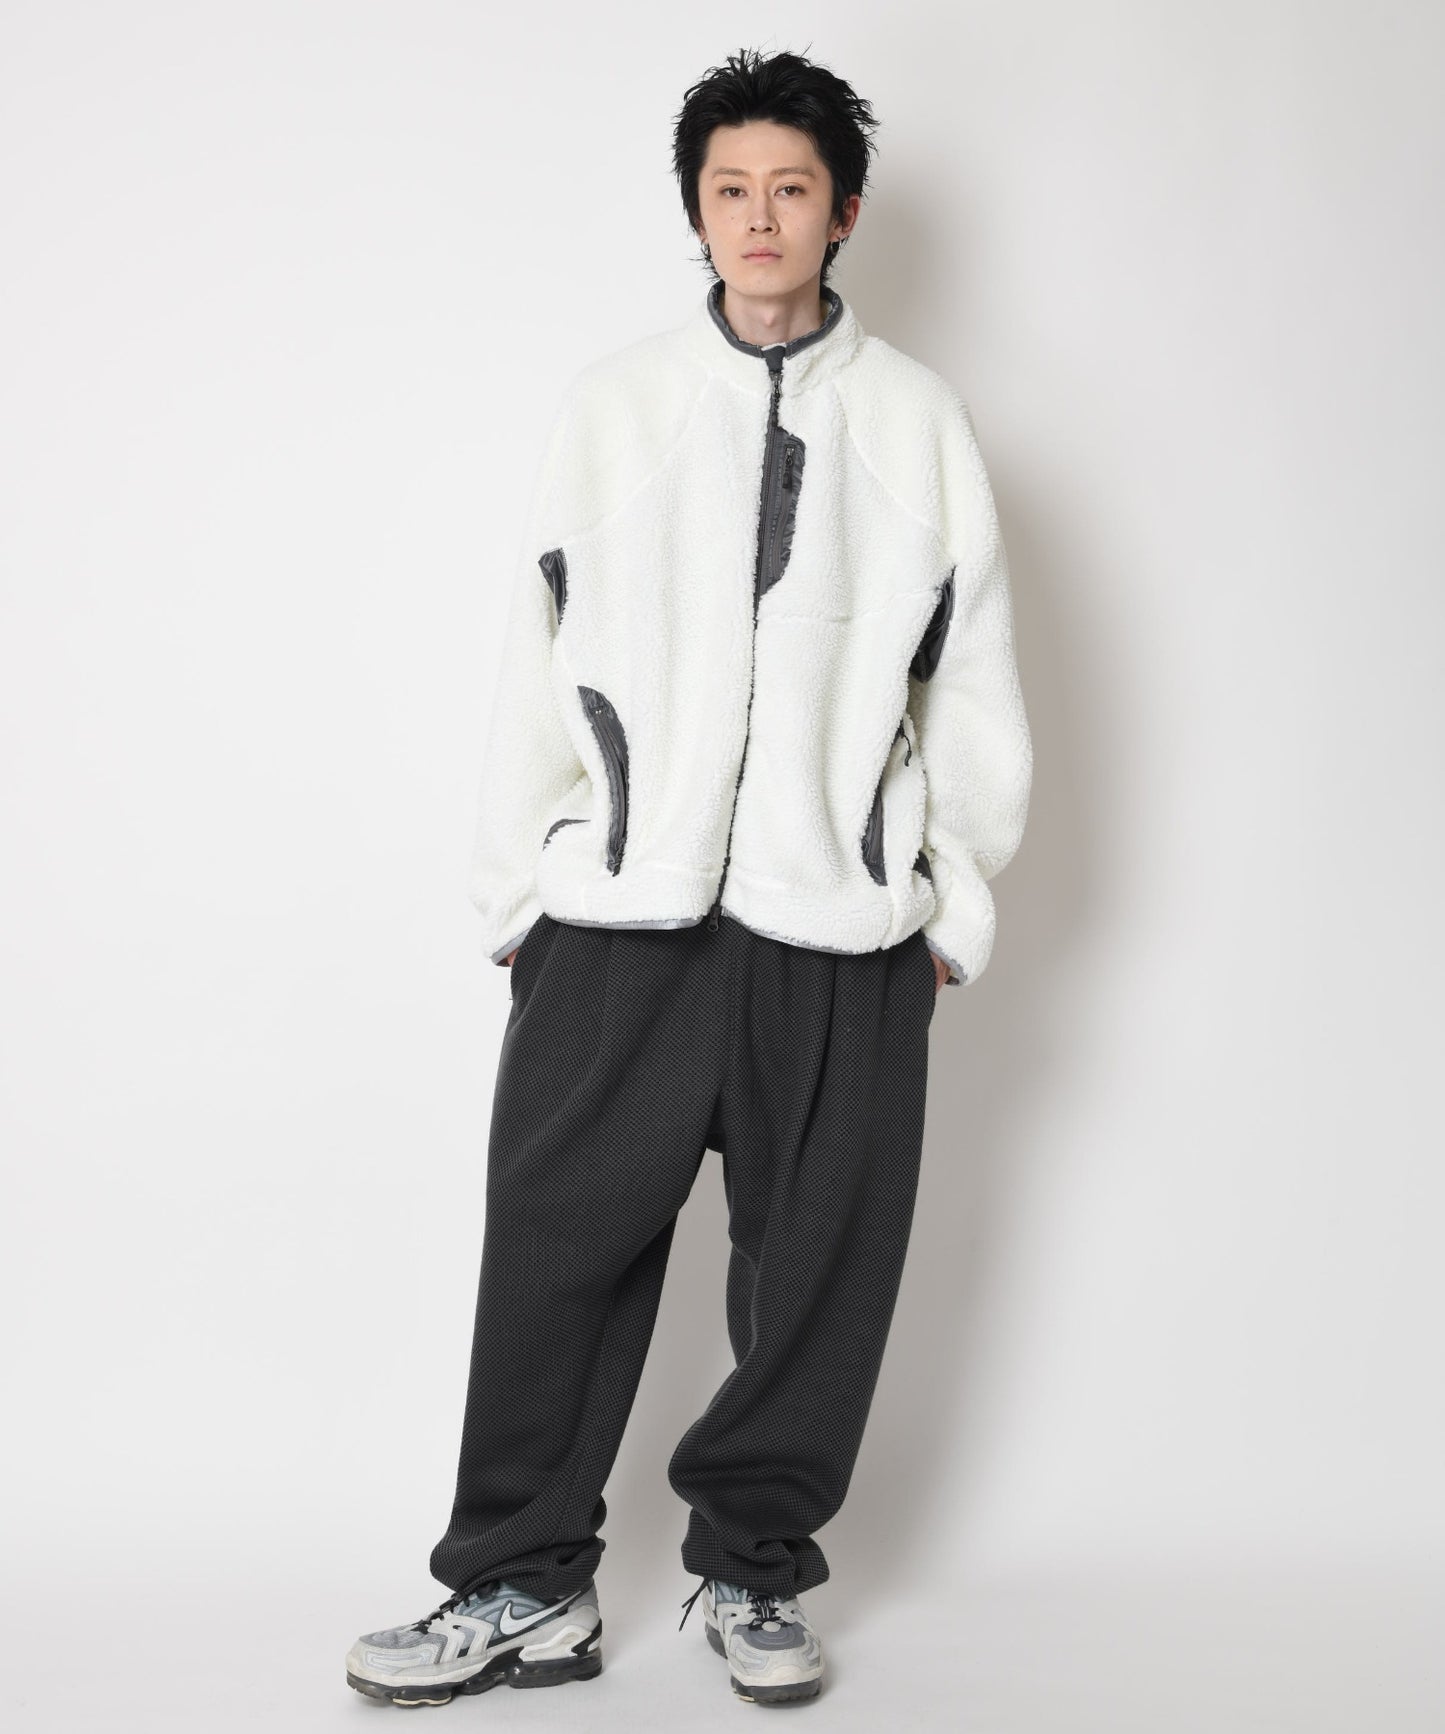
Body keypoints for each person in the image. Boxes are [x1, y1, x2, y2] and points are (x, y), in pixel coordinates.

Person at [346, 44, 1032, 1710]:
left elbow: (973, 681)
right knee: (553, 1255)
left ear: (842, 211)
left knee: (816, 1274)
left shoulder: (918, 422)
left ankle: (751, 1570)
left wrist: (944, 908)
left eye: (790, 188)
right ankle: (521, 1582)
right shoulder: (617, 407)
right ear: (696, 211)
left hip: (838, 933)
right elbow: (536, 650)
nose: (758, 217)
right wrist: (523, 896)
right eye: (729, 190)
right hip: (620, 923)